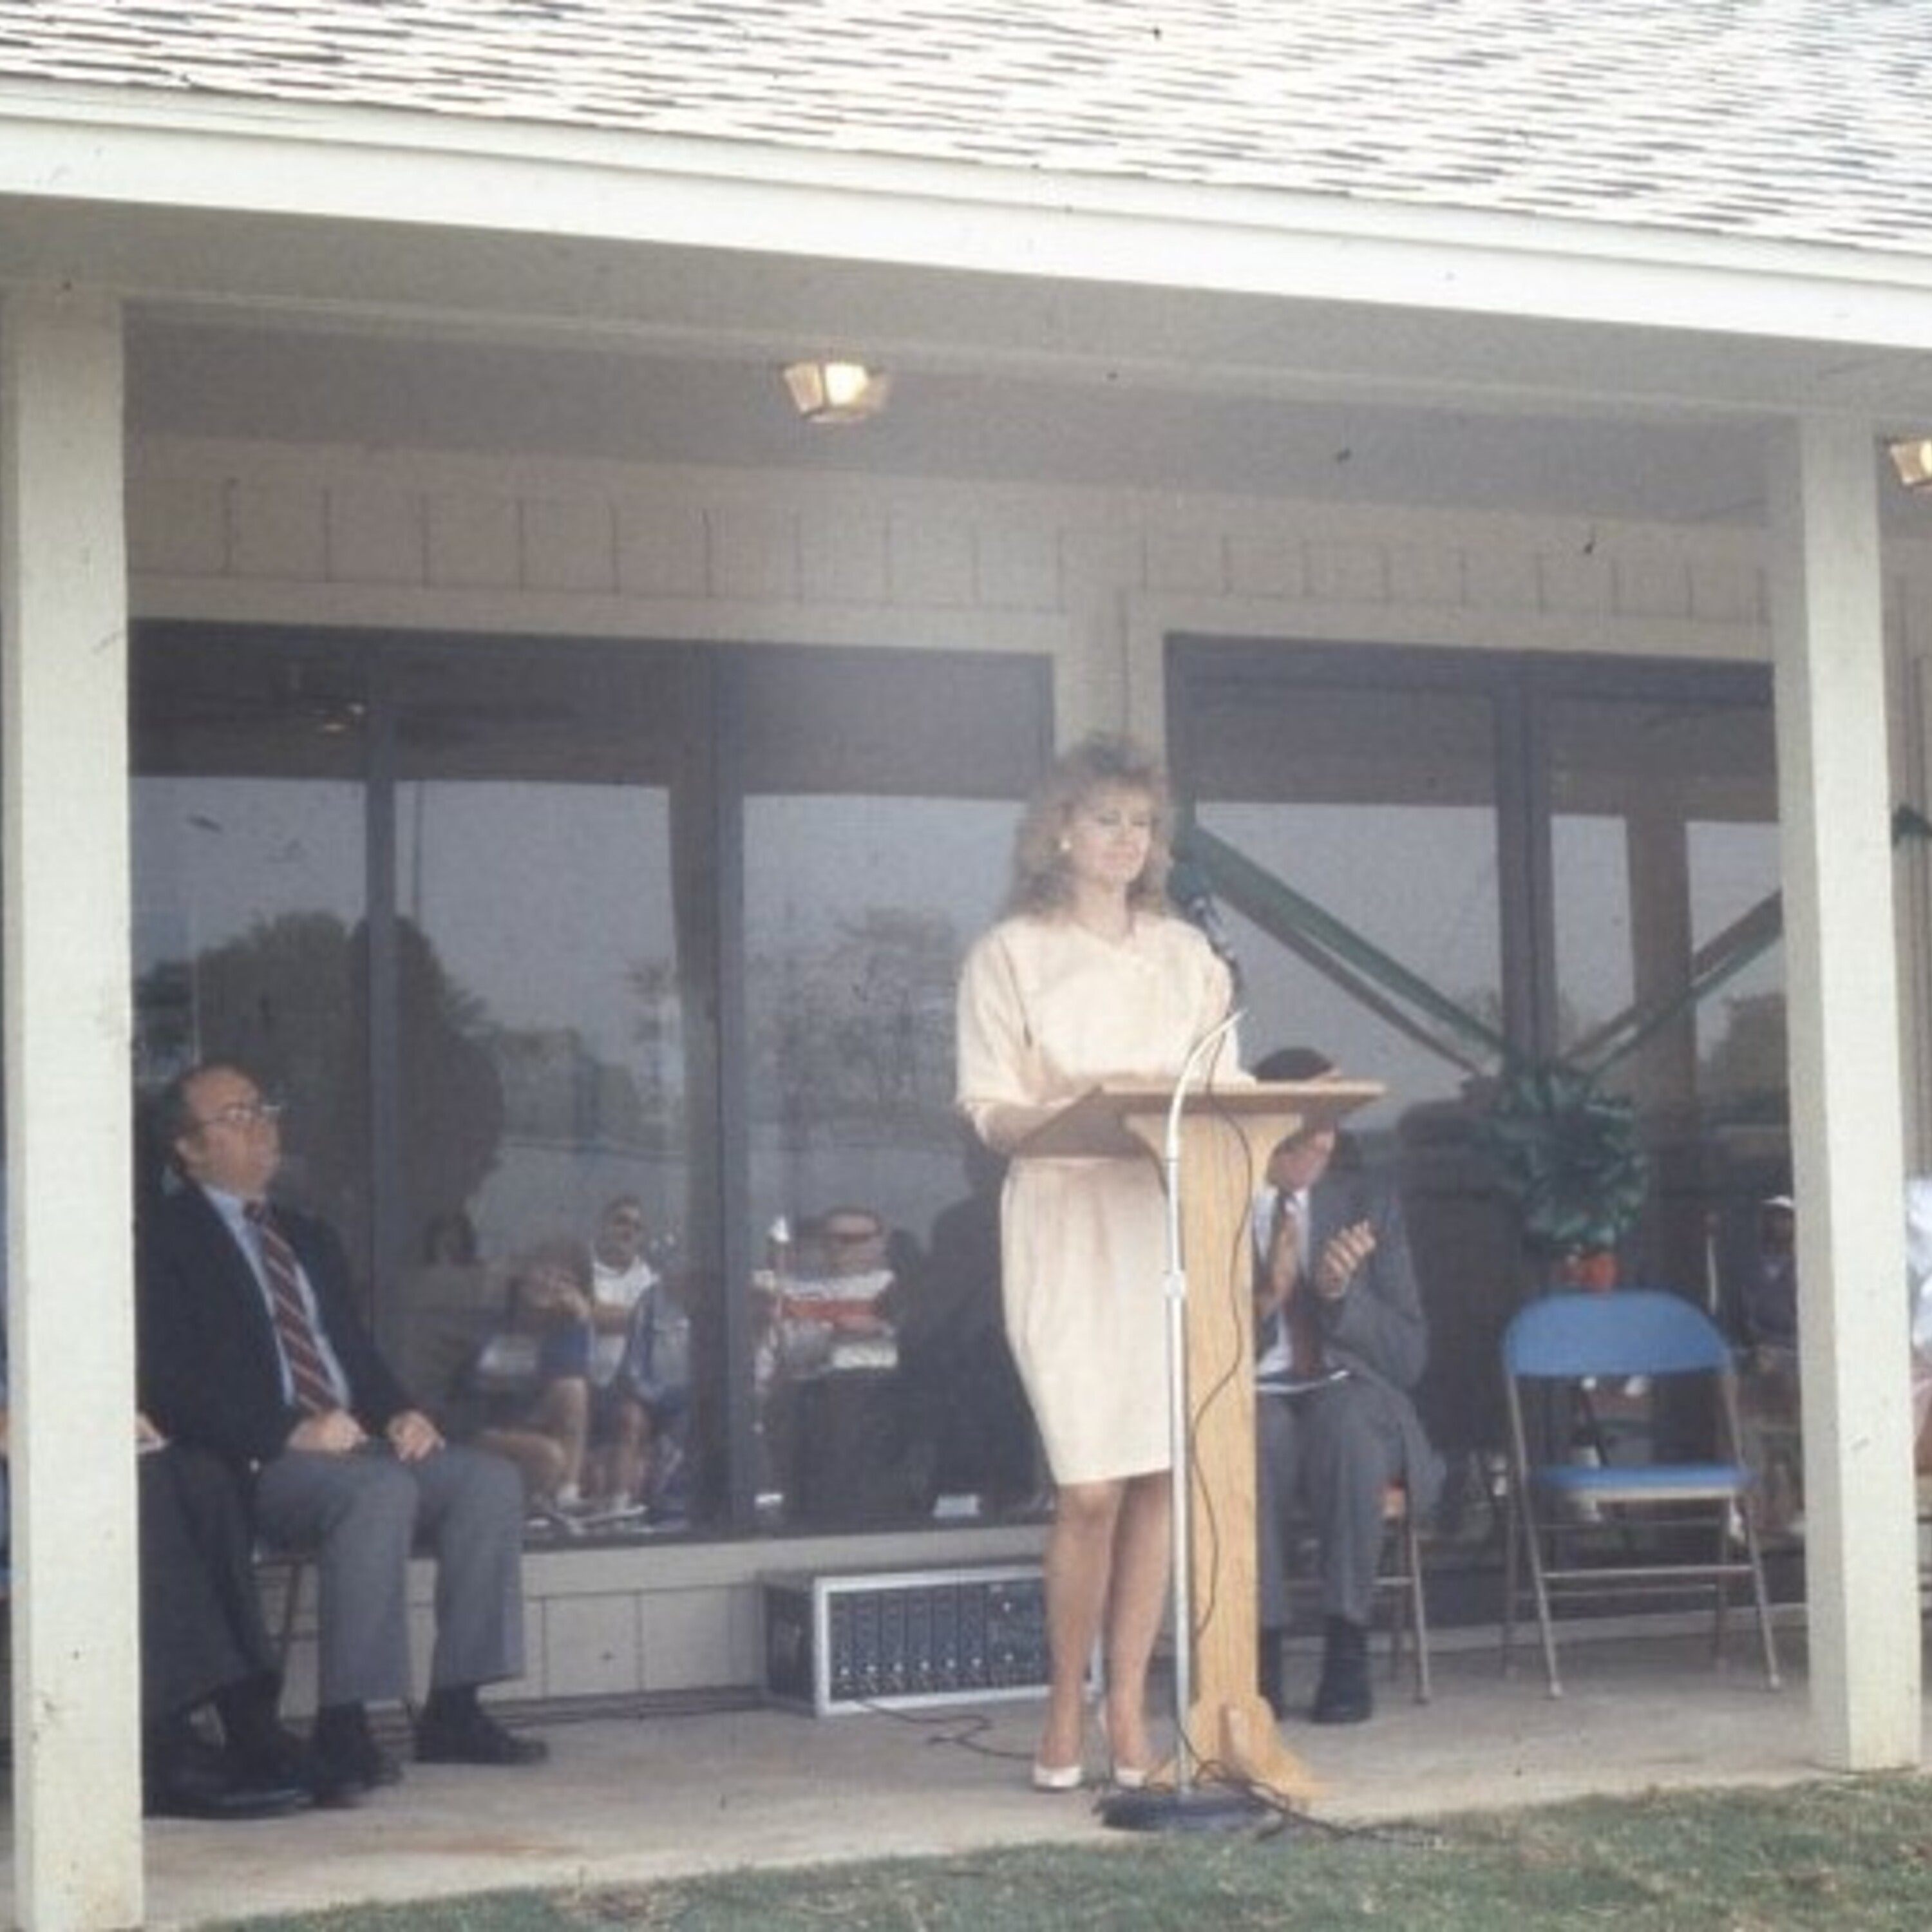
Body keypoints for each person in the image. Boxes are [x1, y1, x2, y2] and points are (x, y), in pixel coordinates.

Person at [138, 1059, 548, 1799]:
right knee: (378, 1493)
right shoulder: (163, 1239)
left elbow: (353, 1353)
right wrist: (287, 1432)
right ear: (188, 1149)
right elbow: (168, 1384)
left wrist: (402, 1412)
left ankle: (456, 1709)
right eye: (236, 1116)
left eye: (265, 1108)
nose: (263, 1126)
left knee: (488, 1482)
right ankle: (345, 1721)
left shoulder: (307, 1235)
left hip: (356, 1444)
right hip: (259, 1464)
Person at [955, 731, 1236, 1791]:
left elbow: (1223, 1092)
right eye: (1105, 819)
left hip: (1160, 1225)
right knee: (1089, 1486)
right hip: (1066, 1226)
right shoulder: (1008, 955)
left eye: (1141, 823)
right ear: (1059, 832)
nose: (1125, 839)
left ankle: (1128, 1710)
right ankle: (1061, 1700)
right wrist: (1081, 1114)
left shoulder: (1187, 957)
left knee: (1160, 1471)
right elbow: (988, 1108)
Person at [1, 1173, 313, 1819]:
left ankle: (249, 1720)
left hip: (48, 1444)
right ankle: (163, 1746)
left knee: (204, 1474)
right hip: (21, 1462)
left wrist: (108, 1407)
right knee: (142, 1497)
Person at [1249, 1045, 1441, 1725]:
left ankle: (1346, 1643)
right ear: (1267, 1120)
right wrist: (1268, 1298)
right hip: (1251, 1393)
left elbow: (1409, 1356)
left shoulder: (1367, 1204)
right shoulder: (1214, 1202)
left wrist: (1339, 1298)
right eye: (1309, 1123)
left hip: (1347, 1389)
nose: (1324, 1139)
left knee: (1347, 1424)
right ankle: (1259, 1651)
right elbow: (1187, 1345)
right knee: (1256, 1436)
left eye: (1332, 1125)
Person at [471, 1236, 596, 1513]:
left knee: (573, 1391)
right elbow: (492, 1387)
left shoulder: (563, 1329)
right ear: (526, 1273)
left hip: (527, 1420)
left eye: (564, 1280)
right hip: (481, 1428)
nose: (550, 1283)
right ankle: (527, 1511)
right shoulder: (499, 1321)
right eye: (544, 1271)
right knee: (548, 1456)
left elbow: (572, 1385)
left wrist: (580, 1323)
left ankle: (566, 1495)